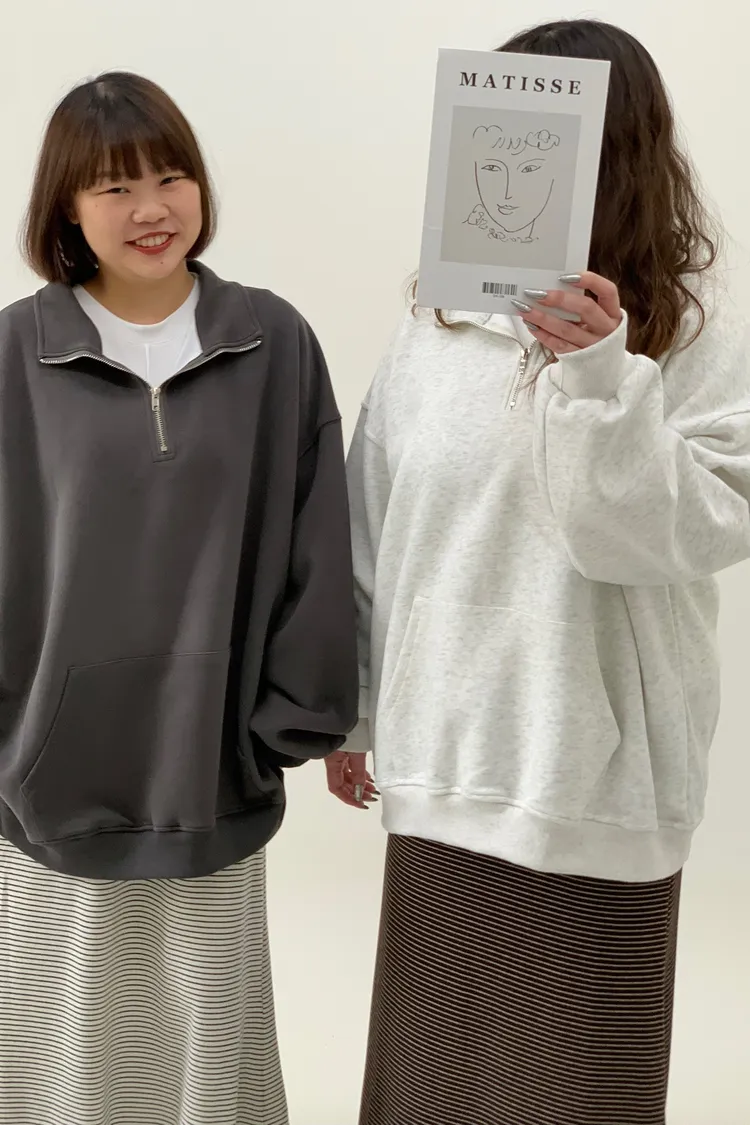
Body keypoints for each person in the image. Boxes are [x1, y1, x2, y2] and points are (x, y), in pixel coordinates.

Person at [327, 18, 750, 1125]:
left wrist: (601, 375)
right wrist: (359, 707)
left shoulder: (694, 330)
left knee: (576, 1090)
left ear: (616, 152)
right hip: (447, 761)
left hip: (597, 783)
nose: (518, 168)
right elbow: (375, 524)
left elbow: (673, 532)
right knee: (431, 1089)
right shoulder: (437, 327)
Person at [0, 71, 359, 1125]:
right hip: (45, 778)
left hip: (212, 769)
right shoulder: (14, 353)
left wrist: (297, 720)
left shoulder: (271, 340)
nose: (150, 208)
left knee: (203, 1051)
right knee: (57, 1048)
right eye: (114, 187)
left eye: (170, 177)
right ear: (67, 206)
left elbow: (317, 534)